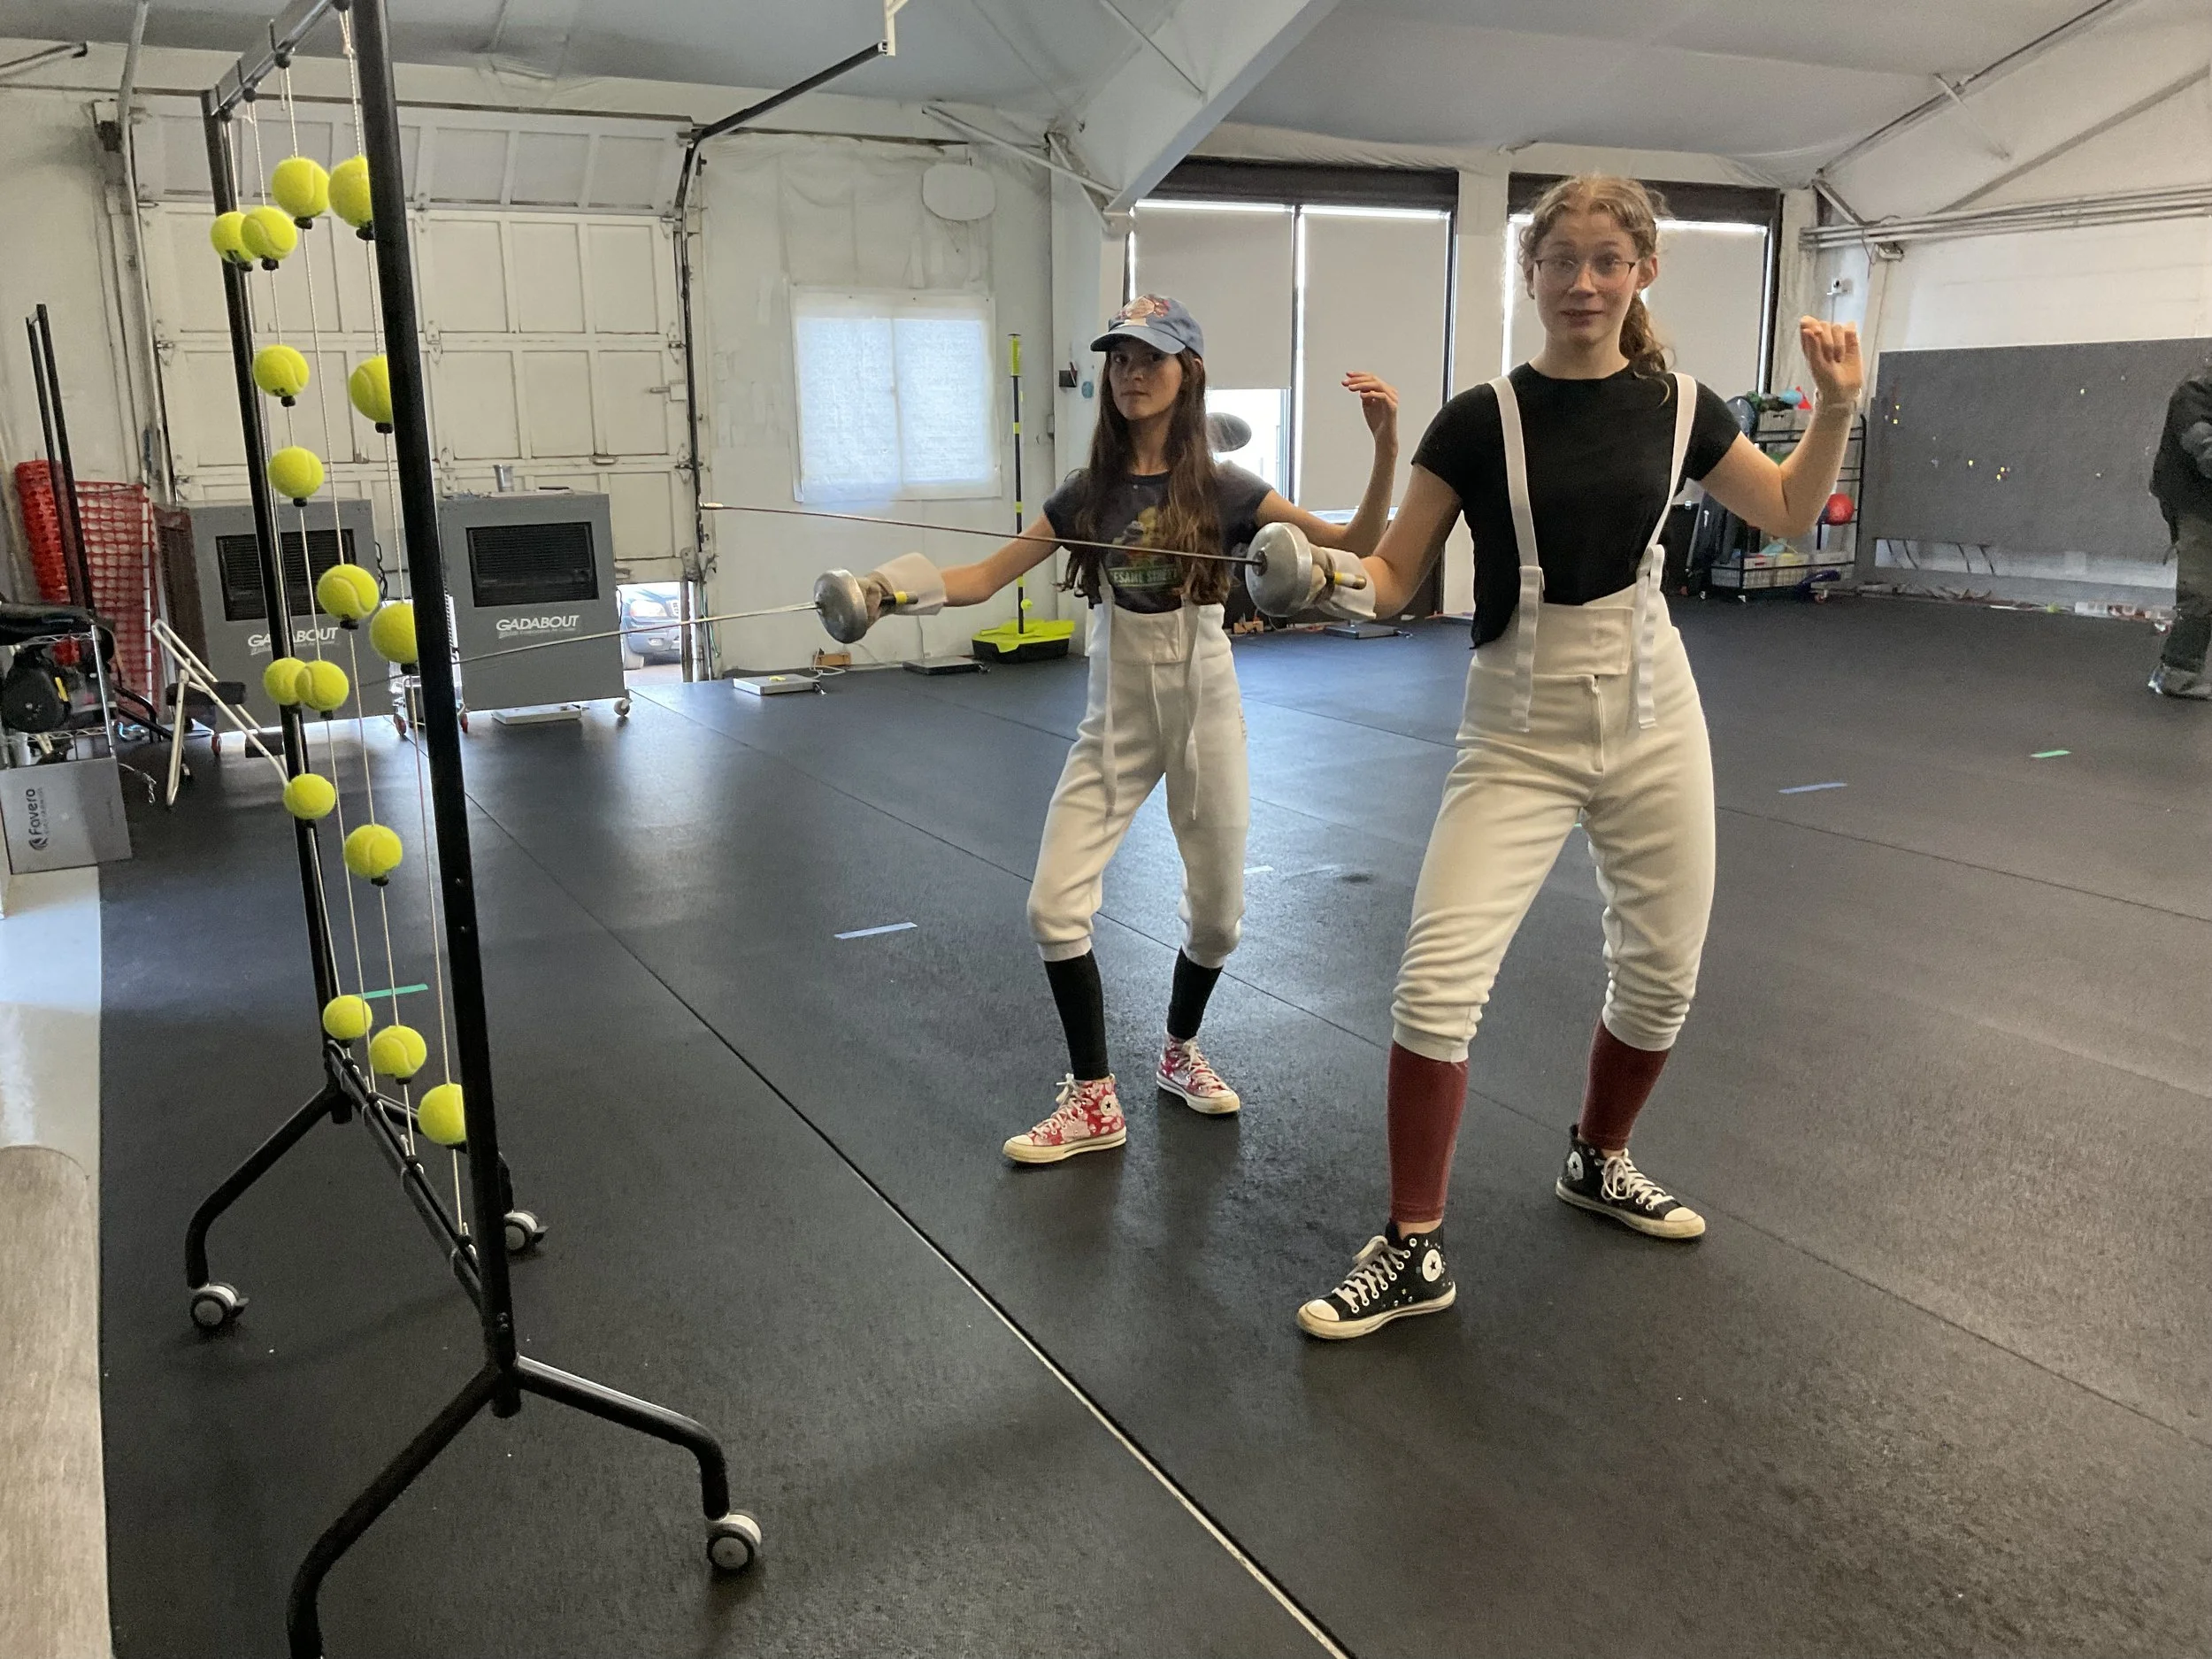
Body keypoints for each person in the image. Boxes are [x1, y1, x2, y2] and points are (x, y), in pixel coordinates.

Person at [1292, 176, 1862, 1339]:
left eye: (1609, 262)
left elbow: (1793, 511)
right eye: (1564, 263)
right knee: (1435, 981)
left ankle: (1600, 1158)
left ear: (1642, 271)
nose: (1586, 284)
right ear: (1532, 274)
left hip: (1657, 714)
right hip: (1517, 725)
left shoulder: (1685, 405)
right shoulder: (1477, 418)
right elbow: (1395, 577)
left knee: (1661, 972)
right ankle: (1412, 1244)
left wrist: (1838, 407)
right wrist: (1321, 579)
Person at [844, 295, 1402, 1162]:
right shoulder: (1086, 494)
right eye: (1120, 360)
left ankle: (1180, 1052)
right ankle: (1093, 1100)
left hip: (1203, 697)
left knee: (1217, 923)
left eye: (1150, 359)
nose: (1132, 375)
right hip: (1116, 707)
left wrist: (1383, 446)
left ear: (1187, 373)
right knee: (1052, 906)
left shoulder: (1228, 489)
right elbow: (984, 576)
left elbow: (1354, 547)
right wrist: (884, 591)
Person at [2148, 366, 2212, 699]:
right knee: (2200, 587)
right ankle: (2176, 672)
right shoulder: (2193, 396)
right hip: (2192, 501)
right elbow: (2206, 451)